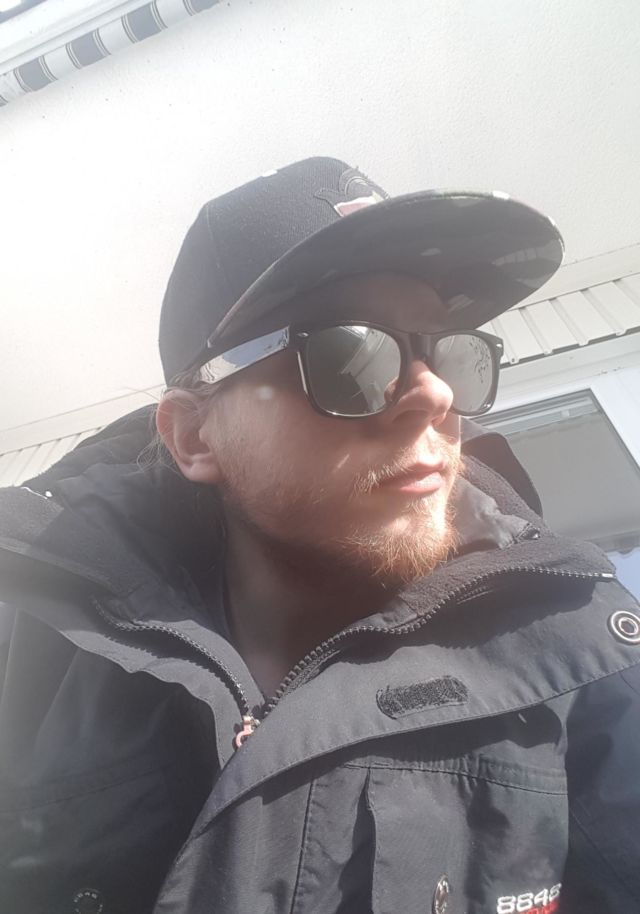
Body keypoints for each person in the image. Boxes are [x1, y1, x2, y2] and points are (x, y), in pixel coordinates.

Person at [1, 157, 639, 914]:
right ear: (195, 436)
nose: (434, 394)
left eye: (448, 350)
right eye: (349, 353)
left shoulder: (576, 657)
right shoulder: (31, 634)